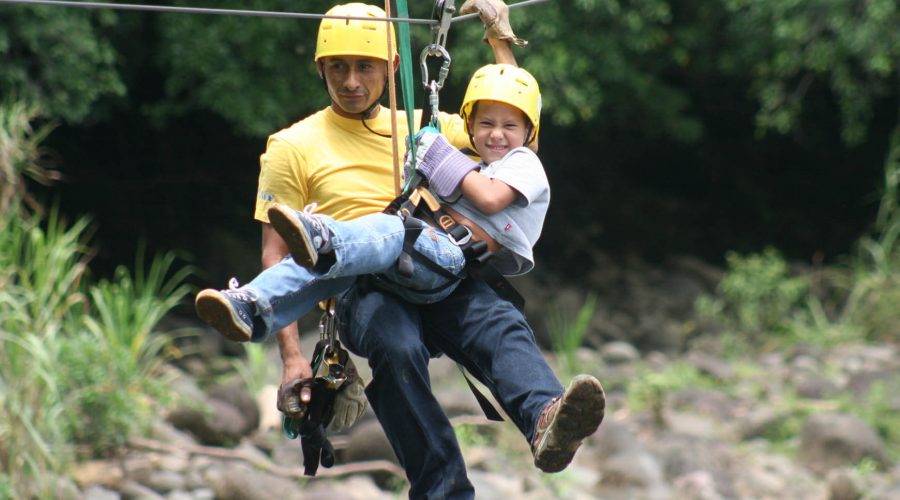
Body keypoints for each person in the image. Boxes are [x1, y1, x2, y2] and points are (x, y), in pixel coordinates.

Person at [195, 2, 605, 498]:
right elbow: (276, 254)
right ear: (320, 68)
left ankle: (544, 416)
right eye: (338, 67)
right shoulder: (290, 146)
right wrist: (293, 360)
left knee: (496, 322)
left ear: (390, 68)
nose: (351, 81)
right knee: (396, 346)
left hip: (433, 261)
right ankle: (443, 490)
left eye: (364, 66)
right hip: (361, 288)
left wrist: (499, 39)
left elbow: (510, 133)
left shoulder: (423, 124)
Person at [196, 62, 548, 339]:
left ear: (529, 132)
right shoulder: (480, 160)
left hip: (449, 259)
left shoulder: (522, 163)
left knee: (391, 229)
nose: (496, 134)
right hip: (423, 254)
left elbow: (490, 196)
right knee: (335, 269)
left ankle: (328, 236)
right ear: (470, 126)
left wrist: (438, 154)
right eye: (485, 124)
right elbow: (511, 117)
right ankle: (253, 307)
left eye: (509, 127)